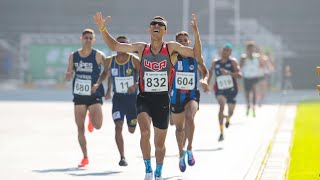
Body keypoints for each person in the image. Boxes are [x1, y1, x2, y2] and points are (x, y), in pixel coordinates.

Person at [93, 12, 203, 180]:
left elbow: (196, 54)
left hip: (162, 100)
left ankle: (158, 171)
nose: (156, 26)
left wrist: (195, 32)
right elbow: (115, 46)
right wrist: (102, 28)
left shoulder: (171, 48)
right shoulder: (141, 48)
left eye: (160, 24)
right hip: (144, 97)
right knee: (144, 132)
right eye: (153, 24)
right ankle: (148, 170)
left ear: (165, 31)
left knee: (159, 145)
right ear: (149, 29)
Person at [65, 28, 106, 167]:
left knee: (98, 126)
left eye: (90, 38)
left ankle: (92, 118)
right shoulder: (73, 56)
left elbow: (107, 72)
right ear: (81, 39)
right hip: (79, 95)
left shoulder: (99, 55)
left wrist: (99, 83)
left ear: (94, 40)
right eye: (86, 38)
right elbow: (69, 72)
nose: (88, 40)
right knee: (80, 129)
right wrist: (68, 75)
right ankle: (85, 157)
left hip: (94, 94)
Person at [170, 31, 209, 172]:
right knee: (179, 129)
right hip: (175, 97)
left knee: (189, 116)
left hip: (191, 95)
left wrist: (204, 80)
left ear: (189, 42)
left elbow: (205, 71)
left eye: (185, 40)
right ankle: (181, 154)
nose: (182, 42)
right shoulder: (172, 57)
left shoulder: (195, 57)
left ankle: (190, 148)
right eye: (179, 40)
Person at [102, 36, 140, 166]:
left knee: (131, 129)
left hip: (132, 100)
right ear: (115, 46)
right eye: (120, 44)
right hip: (118, 99)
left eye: (125, 44)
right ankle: (122, 157)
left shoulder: (134, 60)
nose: (122, 46)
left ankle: (134, 121)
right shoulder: (109, 61)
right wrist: (108, 90)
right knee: (118, 127)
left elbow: (144, 76)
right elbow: (109, 75)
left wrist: (135, 86)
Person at [208, 43, 242, 141]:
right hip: (220, 89)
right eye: (224, 50)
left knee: (231, 112)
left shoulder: (233, 62)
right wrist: (207, 84)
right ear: (221, 50)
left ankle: (228, 118)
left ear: (230, 52)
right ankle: (221, 132)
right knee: (221, 106)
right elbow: (210, 73)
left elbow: (240, 75)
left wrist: (229, 73)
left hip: (231, 89)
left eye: (227, 50)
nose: (225, 52)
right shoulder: (216, 62)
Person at [240, 41, 264, 117]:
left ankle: (253, 106)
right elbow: (239, 66)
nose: (251, 50)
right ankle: (248, 104)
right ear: (247, 49)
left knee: (254, 91)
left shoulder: (257, 57)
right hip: (247, 77)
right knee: (247, 93)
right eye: (249, 49)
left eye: (252, 49)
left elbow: (261, 64)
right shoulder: (244, 57)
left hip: (255, 77)